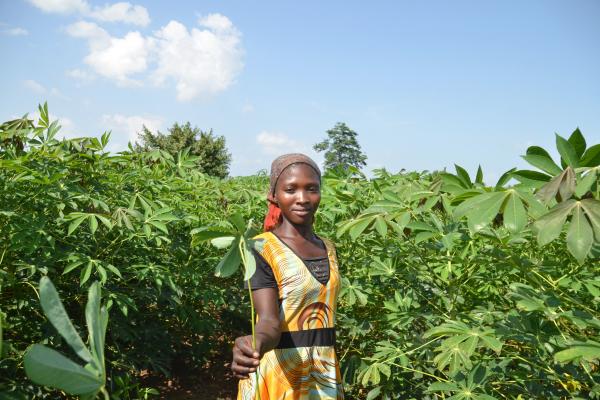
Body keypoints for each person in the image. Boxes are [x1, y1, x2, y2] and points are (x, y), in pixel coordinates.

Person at [231, 153, 344, 399]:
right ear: (274, 195)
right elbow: (269, 321)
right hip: (281, 374)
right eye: (291, 189)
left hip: (323, 371)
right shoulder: (260, 248)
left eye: (311, 189)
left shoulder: (329, 247)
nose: (302, 198)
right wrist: (254, 342)